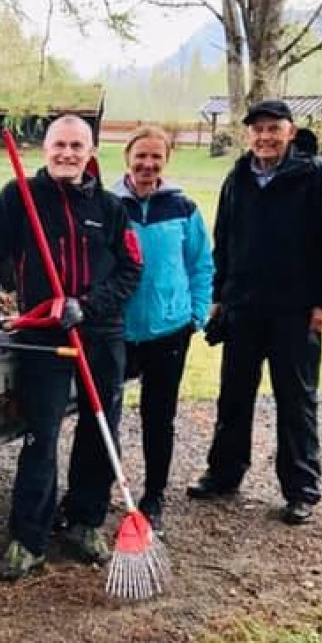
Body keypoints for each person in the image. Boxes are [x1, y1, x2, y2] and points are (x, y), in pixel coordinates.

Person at [0, 115, 142, 583]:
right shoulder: (18, 197)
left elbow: (130, 269)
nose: (67, 153)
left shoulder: (110, 207)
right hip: (44, 337)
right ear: (44, 149)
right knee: (40, 435)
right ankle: (29, 538)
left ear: (91, 152)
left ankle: (85, 522)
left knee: (99, 429)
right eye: (59, 145)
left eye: (77, 146)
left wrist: (87, 307)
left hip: (100, 334)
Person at [188, 99, 322, 525]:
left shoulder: (315, 176)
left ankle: (301, 489)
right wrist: (218, 294)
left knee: (296, 400)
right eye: (257, 129)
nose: (265, 137)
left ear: (290, 131)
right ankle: (224, 474)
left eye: (273, 129)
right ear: (249, 134)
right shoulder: (239, 177)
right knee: (234, 396)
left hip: (296, 311)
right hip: (243, 307)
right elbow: (223, 237)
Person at [111, 126, 213, 534]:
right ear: (127, 159)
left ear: (166, 161)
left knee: (159, 415)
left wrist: (196, 315)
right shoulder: (108, 205)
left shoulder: (183, 207)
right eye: (141, 156)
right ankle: (97, 486)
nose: (147, 164)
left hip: (169, 328)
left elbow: (201, 264)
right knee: (102, 411)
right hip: (117, 328)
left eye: (156, 157)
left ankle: (154, 495)